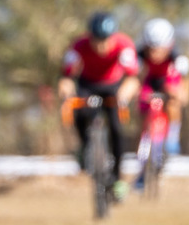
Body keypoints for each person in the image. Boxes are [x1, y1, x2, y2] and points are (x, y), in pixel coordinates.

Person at [57, 11, 140, 201]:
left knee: (117, 130)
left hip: (113, 86)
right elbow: (66, 77)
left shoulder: (124, 45)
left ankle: (118, 179)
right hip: (88, 85)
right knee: (78, 111)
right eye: (97, 40)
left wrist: (124, 95)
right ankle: (85, 147)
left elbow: (132, 79)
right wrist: (67, 91)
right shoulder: (79, 46)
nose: (101, 45)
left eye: (105, 40)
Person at [135, 17, 189, 166]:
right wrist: (138, 93)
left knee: (173, 99)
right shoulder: (139, 56)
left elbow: (184, 82)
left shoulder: (177, 59)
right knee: (143, 107)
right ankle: (145, 143)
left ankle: (173, 136)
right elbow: (135, 78)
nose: (155, 54)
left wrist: (182, 94)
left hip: (167, 81)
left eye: (160, 49)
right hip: (149, 81)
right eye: (152, 49)